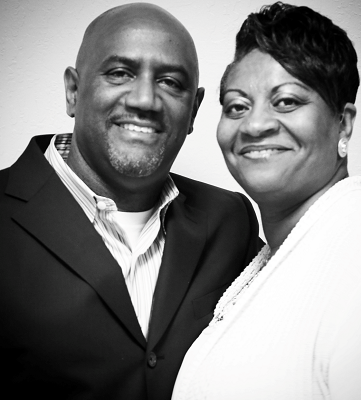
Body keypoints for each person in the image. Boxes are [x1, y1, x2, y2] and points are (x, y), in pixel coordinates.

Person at [0, 3, 261, 400]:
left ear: (194, 110)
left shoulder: (230, 221)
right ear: (73, 91)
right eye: (120, 73)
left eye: (170, 82)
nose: (145, 100)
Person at [172, 2, 361, 399]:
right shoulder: (274, 258)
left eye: (287, 101)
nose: (255, 125)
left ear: (343, 124)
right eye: (237, 106)